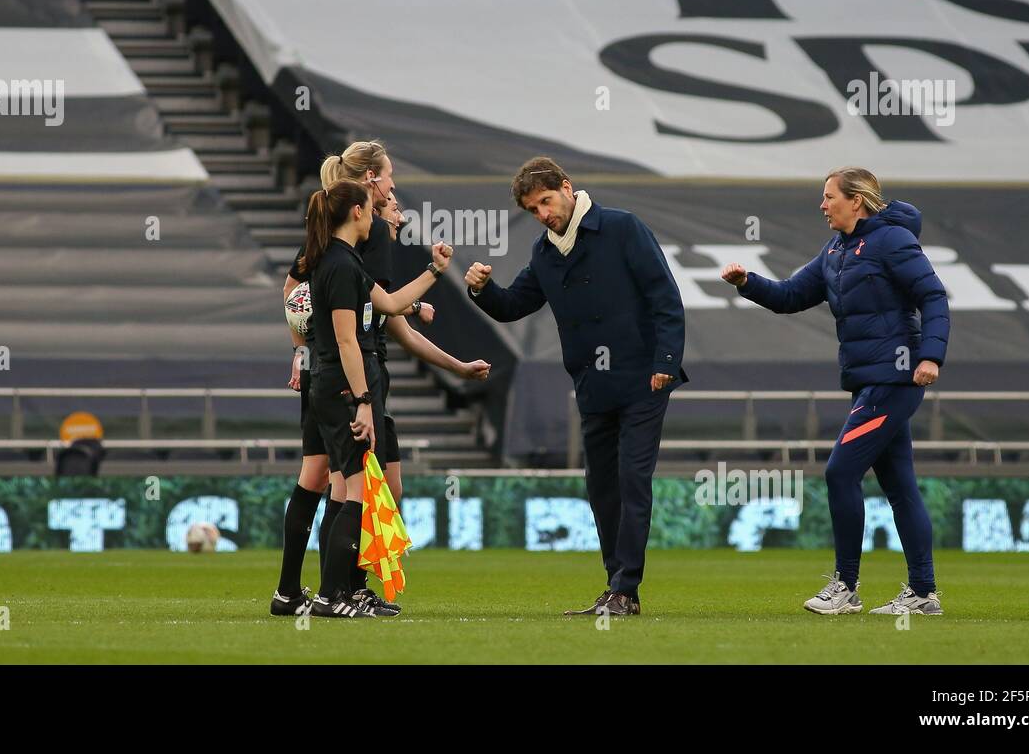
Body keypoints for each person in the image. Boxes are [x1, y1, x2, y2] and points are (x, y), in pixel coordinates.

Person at [720, 166, 950, 616]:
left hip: (894, 379)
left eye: (829, 197)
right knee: (900, 486)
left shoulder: (892, 240)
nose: (822, 205)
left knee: (839, 473)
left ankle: (845, 587)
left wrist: (930, 356)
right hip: (869, 381)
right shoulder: (836, 250)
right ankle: (923, 594)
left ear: (856, 200)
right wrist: (747, 283)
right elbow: (789, 296)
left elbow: (934, 297)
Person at [464, 157, 688, 616]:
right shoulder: (544, 253)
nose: (543, 213)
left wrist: (666, 360)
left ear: (567, 188)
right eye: (532, 209)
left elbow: (665, 296)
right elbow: (511, 306)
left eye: (546, 200)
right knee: (601, 486)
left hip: (643, 377)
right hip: (592, 384)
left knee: (631, 479)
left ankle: (625, 588)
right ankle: (617, 587)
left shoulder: (623, 228)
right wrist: (482, 289)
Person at [271, 144, 488, 617]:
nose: (393, 188)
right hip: (353, 373)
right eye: (388, 179)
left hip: (331, 370)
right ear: (370, 184)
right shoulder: (362, 239)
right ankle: (341, 591)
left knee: (326, 480)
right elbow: (370, 318)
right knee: (362, 485)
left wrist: (302, 350)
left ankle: (297, 590)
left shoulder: (328, 238)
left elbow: (307, 295)